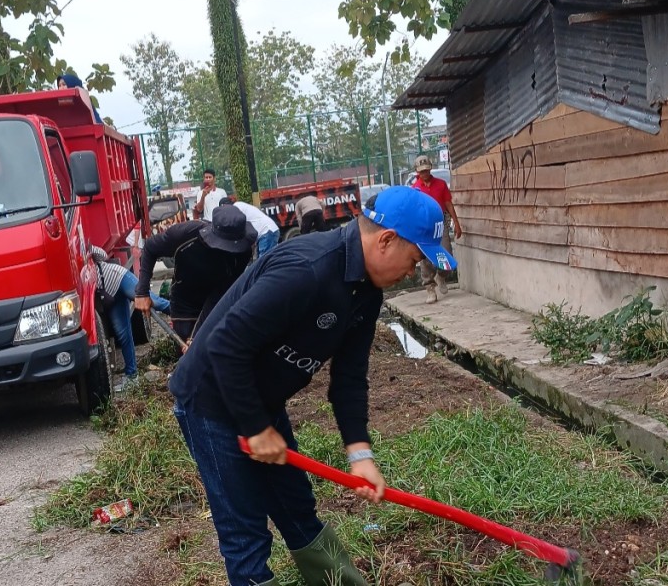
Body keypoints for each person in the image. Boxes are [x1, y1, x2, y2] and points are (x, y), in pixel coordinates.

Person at [167, 186, 452, 586]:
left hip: (260, 399)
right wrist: (255, 426)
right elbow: (225, 346)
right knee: (246, 532)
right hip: (210, 400)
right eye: (415, 259)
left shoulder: (366, 292)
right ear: (386, 241)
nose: (413, 271)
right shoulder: (308, 269)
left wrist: (360, 455)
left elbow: (349, 378)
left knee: (297, 508)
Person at [135, 204, 256, 343]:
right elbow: (150, 248)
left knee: (213, 346)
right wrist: (142, 292)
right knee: (187, 353)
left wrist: (197, 336)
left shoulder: (243, 251)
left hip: (217, 302)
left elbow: (220, 293)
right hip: (185, 302)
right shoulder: (185, 234)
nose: (229, 251)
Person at [90, 244, 167, 390]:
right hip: (110, 295)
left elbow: (103, 255)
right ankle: (132, 376)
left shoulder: (83, 247)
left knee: (154, 301)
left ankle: (185, 317)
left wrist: (88, 250)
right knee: (123, 334)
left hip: (118, 277)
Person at [411, 154, 461, 304]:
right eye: (422, 172)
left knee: (446, 252)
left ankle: (442, 275)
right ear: (417, 172)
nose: (425, 174)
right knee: (425, 256)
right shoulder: (415, 189)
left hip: (441, 221)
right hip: (424, 225)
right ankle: (429, 287)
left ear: (430, 169)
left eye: (426, 170)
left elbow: (448, 204)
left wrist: (456, 223)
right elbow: (413, 210)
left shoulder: (440, 184)